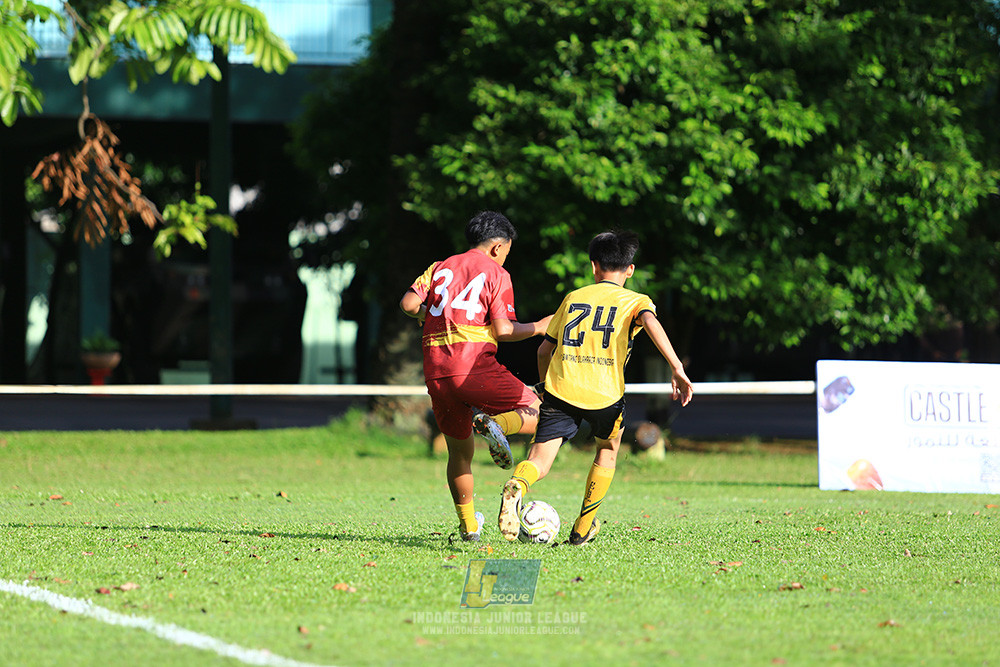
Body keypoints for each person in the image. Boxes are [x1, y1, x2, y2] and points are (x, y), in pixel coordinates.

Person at [494, 229, 693, 545]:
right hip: (605, 395)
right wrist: (676, 365)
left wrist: (546, 386)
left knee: (540, 459)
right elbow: (651, 322)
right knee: (608, 450)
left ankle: (518, 484)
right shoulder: (636, 301)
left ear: (593, 266)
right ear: (630, 270)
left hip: (561, 389)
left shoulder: (574, 298)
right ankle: (583, 528)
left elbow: (544, 350)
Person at [400, 211, 551, 542]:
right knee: (545, 414)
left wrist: (435, 317)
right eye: (508, 250)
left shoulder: (439, 267)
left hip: (436, 372)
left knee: (459, 453)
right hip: (473, 368)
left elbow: (409, 304)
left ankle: (468, 526)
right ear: (498, 247)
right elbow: (504, 330)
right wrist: (541, 326)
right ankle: (500, 426)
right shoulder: (496, 272)